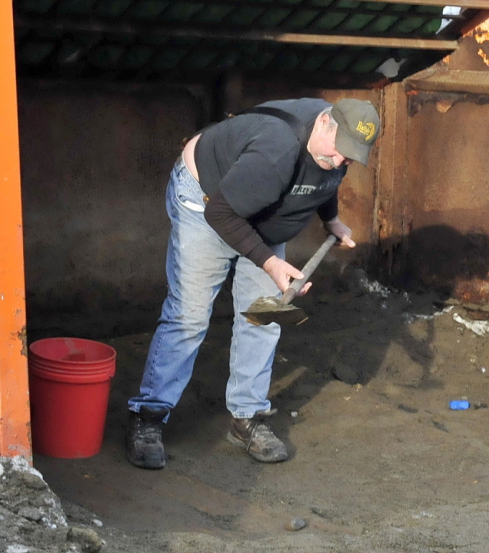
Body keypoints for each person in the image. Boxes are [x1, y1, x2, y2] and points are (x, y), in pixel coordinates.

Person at [126, 97, 381, 469]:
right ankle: (148, 417)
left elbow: (325, 180)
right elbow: (221, 212)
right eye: (341, 151)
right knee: (189, 316)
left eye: (351, 156)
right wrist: (271, 263)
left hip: (261, 212)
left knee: (263, 317)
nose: (343, 160)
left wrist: (331, 220)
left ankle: (247, 417)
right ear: (325, 123)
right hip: (208, 202)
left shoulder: (335, 146)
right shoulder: (277, 151)